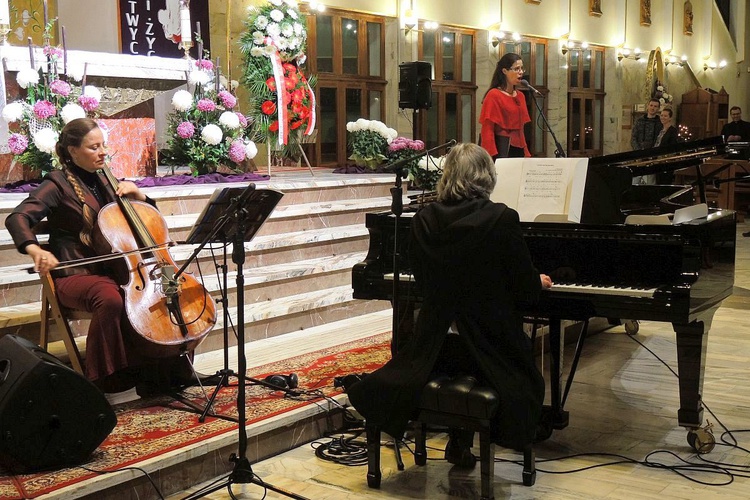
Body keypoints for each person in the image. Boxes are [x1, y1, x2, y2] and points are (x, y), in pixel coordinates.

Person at [347, 143, 550, 465]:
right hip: (490, 348)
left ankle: (460, 440)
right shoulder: (502, 218)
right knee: (529, 381)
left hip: (437, 347)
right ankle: (491, 436)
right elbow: (524, 292)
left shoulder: (424, 219)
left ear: (448, 175)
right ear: (487, 176)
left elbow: (426, 285)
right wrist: (535, 280)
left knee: (462, 349)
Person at [5, 118, 196, 395]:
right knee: (110, 298)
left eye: (103, 145)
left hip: (117, 271)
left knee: (166, 291)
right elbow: (17, 217)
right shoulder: (56, 184)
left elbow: (146, 222)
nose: (103, 152)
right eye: (94, 147)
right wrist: (33, 249)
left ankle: (166, 371)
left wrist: (139, 195)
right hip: (75, 274)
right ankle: (105, 378)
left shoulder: (106, 179)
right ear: (72, 151)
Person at [479, 53, 531, 159]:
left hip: (518, 149)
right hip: (500, 150)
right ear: (504, 71)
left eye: (522, 68)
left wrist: (526, 153)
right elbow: (487, 129)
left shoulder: (520, 96)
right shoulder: (493, 95)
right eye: (516, 69)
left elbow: (520, 129)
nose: (520, 72)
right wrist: (489, 157)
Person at [653, 107, 680, 184]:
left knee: (664, 182)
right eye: (661, 115)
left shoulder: (673, 131)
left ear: (670, 118)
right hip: (657, 160)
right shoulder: (660, 130)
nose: (662, 117)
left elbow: (672, 147)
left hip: (666, 161)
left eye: (665, 116)